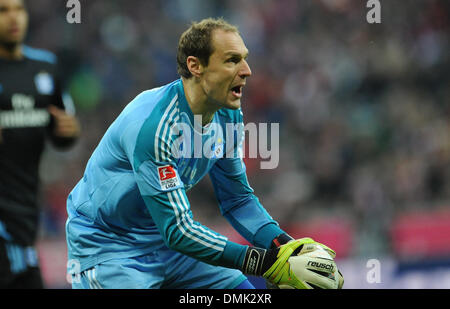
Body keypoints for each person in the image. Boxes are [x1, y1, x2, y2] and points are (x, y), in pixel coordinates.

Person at [66, 17, 342, 289]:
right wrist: (267, 264)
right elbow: (178, 230)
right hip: (110, 248)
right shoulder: (154, 128)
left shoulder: (227, 115)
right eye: (232, 60)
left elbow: (237, 200)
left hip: (169, 247)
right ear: (195, 66)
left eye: (244, 59)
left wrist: (284, 247)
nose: (246, 70)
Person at [0, 0, 80, 288]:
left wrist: (68, 130)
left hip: (26, 211)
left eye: (18, 9)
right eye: (3, 10)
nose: (13, 18)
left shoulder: (44, 67)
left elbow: (65, 129)